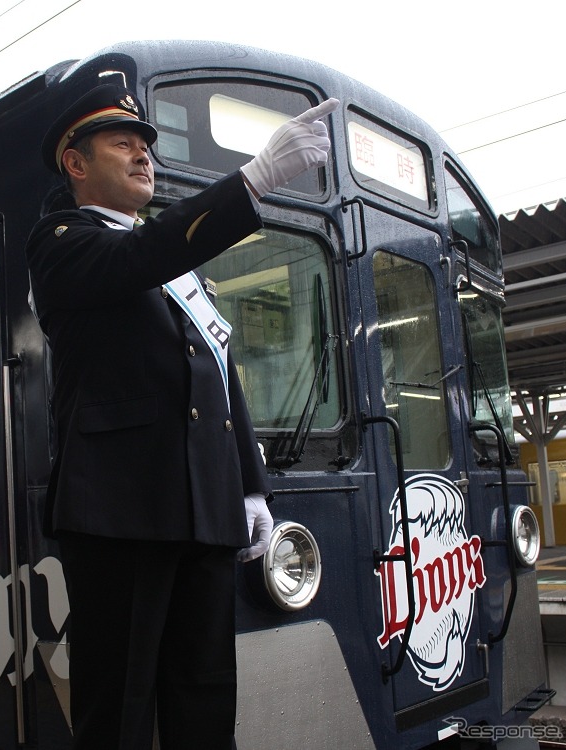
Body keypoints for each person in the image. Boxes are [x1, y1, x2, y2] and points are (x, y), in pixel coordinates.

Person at [26, 83, 338, 750]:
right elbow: (140, 257)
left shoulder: (167, 261)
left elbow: (218, 368)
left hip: (199, 507)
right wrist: (253, 181)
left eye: (146, 144)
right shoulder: (62, 242)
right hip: (121, 511)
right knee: (120, 710)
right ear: (76, 165)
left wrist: (250, 485)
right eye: (123, 143)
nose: (145, 156)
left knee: (203, 698)